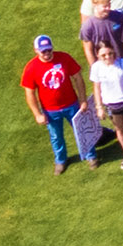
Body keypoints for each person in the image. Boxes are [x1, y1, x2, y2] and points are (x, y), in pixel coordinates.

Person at [22, 35, 85, 173]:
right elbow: (29, 93)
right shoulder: (31, 68)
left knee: (81, 130)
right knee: (56, 136)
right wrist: (37, 114)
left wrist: (82, 99)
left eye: (48, 50)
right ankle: (61, 160)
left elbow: (78, 78)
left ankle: (89, 154)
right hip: (50, 110)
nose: (46, 53)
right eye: (43, 51)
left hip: (72, 104)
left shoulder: (64, 58)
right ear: (36, 50)